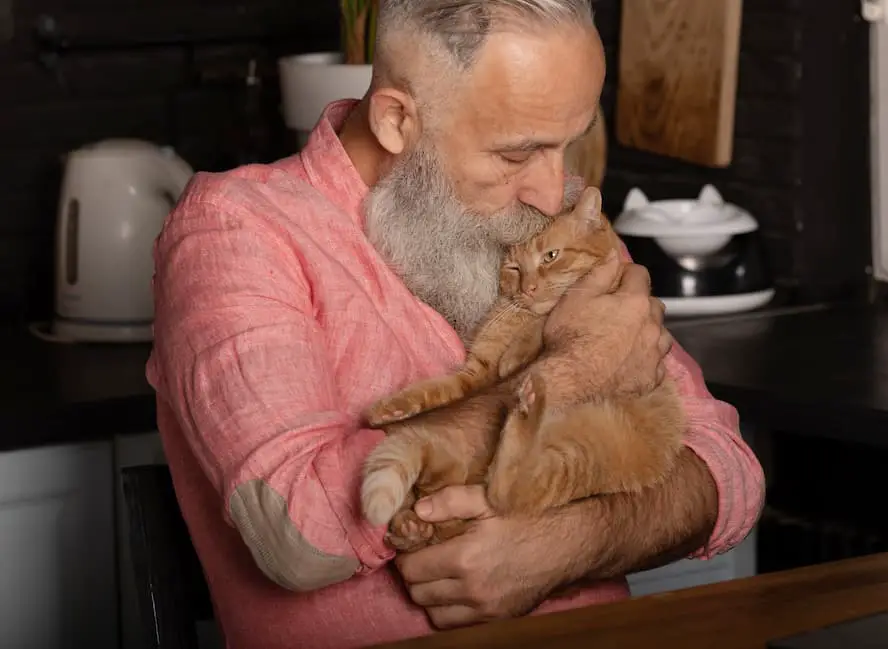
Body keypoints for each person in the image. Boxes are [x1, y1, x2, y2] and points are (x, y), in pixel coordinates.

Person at [145, 1, 765, 647]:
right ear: (396, 119)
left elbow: (728, 471)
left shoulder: (561, 218)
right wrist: (574, 371)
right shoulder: (238, 228)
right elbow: (298, 535)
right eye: (516, 153)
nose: (554, 194)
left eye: (566, 143)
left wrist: (574, 542)